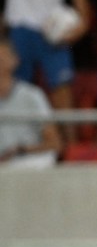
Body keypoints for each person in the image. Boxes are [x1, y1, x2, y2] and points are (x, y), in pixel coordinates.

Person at [0, 37, 62, 167]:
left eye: (3, 57)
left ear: (15, 60)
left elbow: (54, 143)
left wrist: (20, 150)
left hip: (26, 160)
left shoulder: (32, 95)